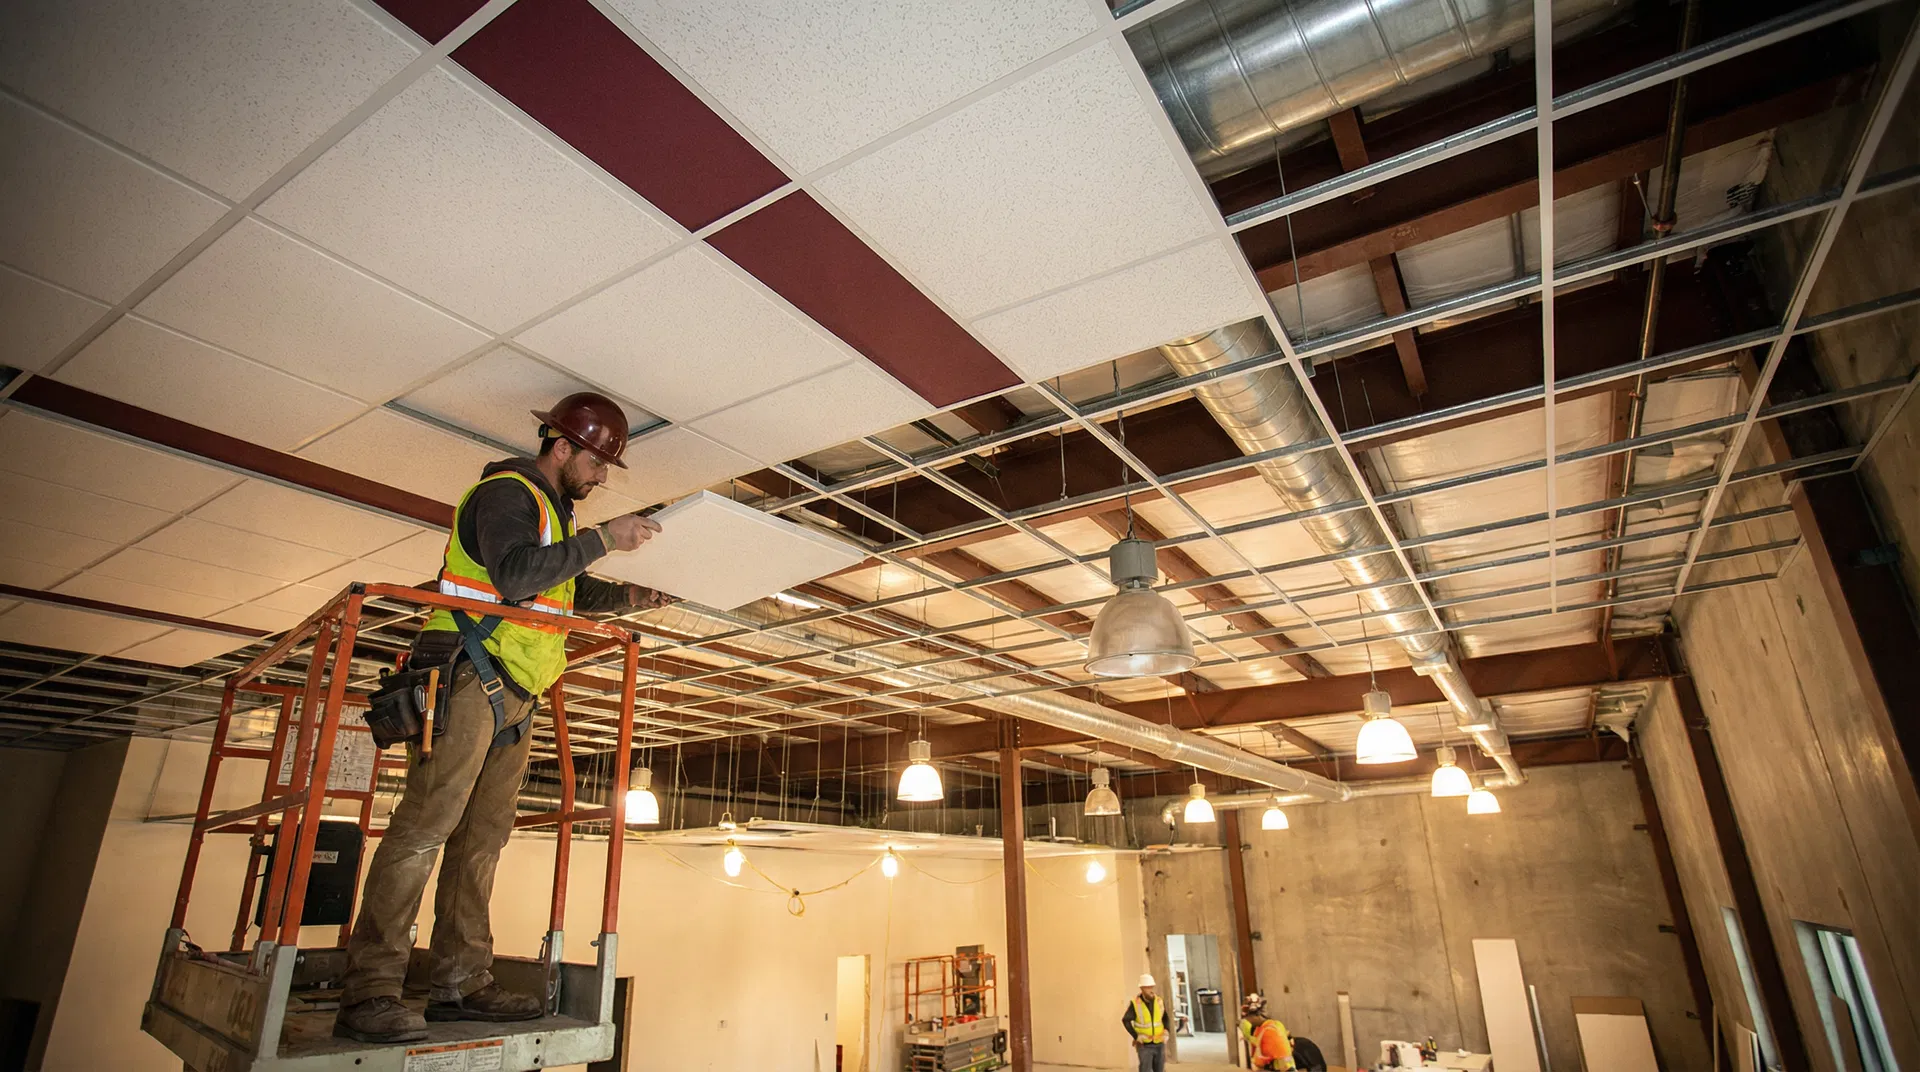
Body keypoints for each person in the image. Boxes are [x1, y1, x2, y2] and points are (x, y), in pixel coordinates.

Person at [334, 393, 675, 1044]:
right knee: (426, 824)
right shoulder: (508, 495)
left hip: (517, 688)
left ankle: (460, 983)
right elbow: (515, 577)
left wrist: (630, 596)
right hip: (467, 667)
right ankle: (370, 990)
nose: (602, 478)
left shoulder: (554, 517)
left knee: (483, 838)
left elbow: (561, 590)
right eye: (598, 463)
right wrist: (605, 539)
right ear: (563, 446)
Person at [1121, 973, 1172, 1072]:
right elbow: (1125, 1020)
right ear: (1141, 988)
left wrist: (1166, 1031)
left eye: (1151, 987)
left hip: (1159, 1042)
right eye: (1146, 987)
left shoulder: (1159, 1001)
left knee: (1160, 1069)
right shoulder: (1135, 1004)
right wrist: (1136, 1036)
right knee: (1145, 1069)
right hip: (1144, 1045)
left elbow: (1165, 1018)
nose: (1149, 990)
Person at [1245, 1001, 1295, 1071]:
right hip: (1287, 1065)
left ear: (1257, 1016)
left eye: (1250, 1018)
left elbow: (1265, 1056)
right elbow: (1289, 1038)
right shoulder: (1275, 1024)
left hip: (1281, 1068)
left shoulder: (1268, 1030)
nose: (1249, 1021)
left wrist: (1257, 1064)